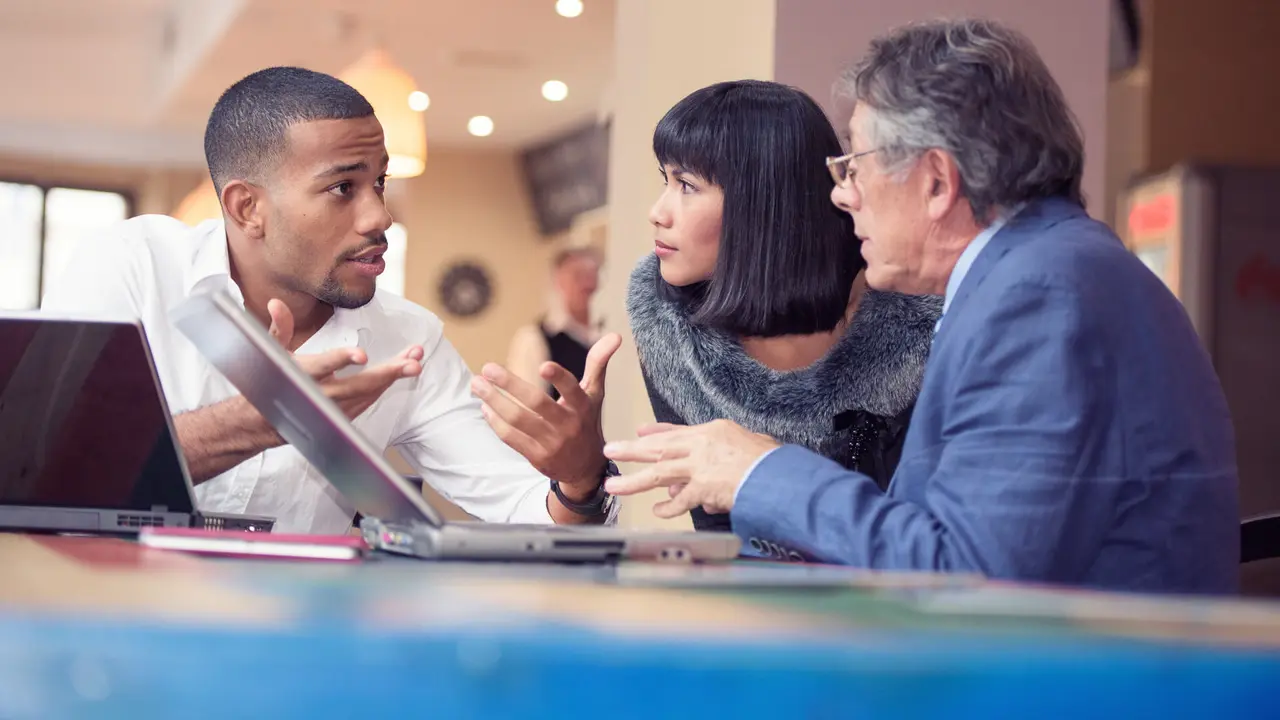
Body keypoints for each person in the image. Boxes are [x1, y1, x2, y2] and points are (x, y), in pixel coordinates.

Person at [602, 19, 1240, 594]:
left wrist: (761, 471)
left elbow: (964, 577)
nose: (842, 196)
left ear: (936, 182)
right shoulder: (1047, 273)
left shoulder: (1037, 300)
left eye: (853, 166)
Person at [40, 67, 616, 533]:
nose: (380, 217)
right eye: (343, 188)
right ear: (248, 208)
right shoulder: (133, 266)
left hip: (295, 646)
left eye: (380, 184)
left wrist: (580, 481)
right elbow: (48, 460)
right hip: (101, 623)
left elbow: (528, 510)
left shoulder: (407, 343)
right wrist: (268, 415)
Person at [471, 79, 941, 533]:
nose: (657, 211)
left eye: (687, 185)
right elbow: (716, 525)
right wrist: (583, 472)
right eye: (665, 181)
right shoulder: (666, 317)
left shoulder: (918, 321)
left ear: (762, 203)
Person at [506, 247, 603, 399]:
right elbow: (528, 408)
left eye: (593, 276)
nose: (588, 285)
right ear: (558, 281)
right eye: (578, 276)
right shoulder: (534, 339)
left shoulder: (609, 334)